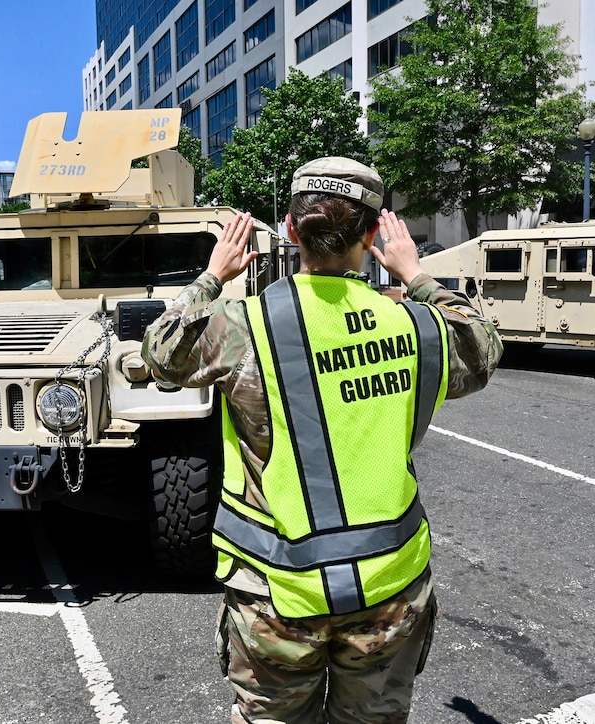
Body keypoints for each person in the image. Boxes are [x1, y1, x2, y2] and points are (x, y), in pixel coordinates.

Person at [142, 157, 502, 723]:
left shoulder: (245, 326)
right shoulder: (415, 325)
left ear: (290, 230)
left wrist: (214, 275)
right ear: (374, 234)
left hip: (276, 588)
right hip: (390, 582)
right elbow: (482, 345)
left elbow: (162, 351)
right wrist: (417, 275)